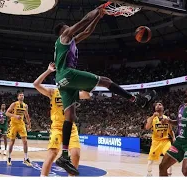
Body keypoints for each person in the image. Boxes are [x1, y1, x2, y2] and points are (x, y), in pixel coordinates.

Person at [53, 5, 156, 175]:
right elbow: (83, 21)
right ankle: (135, 100)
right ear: (62, 31)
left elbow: (86, 32)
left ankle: (64, 155)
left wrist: (98, 18)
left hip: (61, 81)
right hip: (68, 74)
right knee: (106, 81)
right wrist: (96, 10)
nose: (69, 29)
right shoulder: (64, 36)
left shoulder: (69, 42)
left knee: (70, 116)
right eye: (67, 27)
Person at [33, 62, 90, 176]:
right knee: (52, 153)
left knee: (76, 154)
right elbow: (36, 84)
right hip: (57, 127)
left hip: (71, 127)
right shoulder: (53, 92)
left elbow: (87, 95)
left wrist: (82, 80)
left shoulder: (72, 92)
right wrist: (49, 70)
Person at [145, 102, 174, 176]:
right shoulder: (151, 118)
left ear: (163, 108)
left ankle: (169, 175)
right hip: (156, 142)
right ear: (155, 108)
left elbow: (171, 130)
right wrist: (152, 116)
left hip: (165, 141)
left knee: (169, 157)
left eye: (160, 104)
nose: (158, 105)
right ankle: (149, 174)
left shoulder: (167, 118)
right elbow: (147, 127)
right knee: (150, 161)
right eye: (157, 105)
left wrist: (173, 138)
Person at [5, 92, 32, 166]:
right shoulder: (14, 104)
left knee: (25, 141)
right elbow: (7, 113)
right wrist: (15, 116)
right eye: (20, 95)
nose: (22, 96)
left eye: (23, 95)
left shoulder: (25, 106)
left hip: (21, 124)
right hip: (13, 124)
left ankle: (26, 158)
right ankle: (9, 157)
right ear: (17, 97)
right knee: (12, 142)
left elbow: (26, 115)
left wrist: (29, 123)